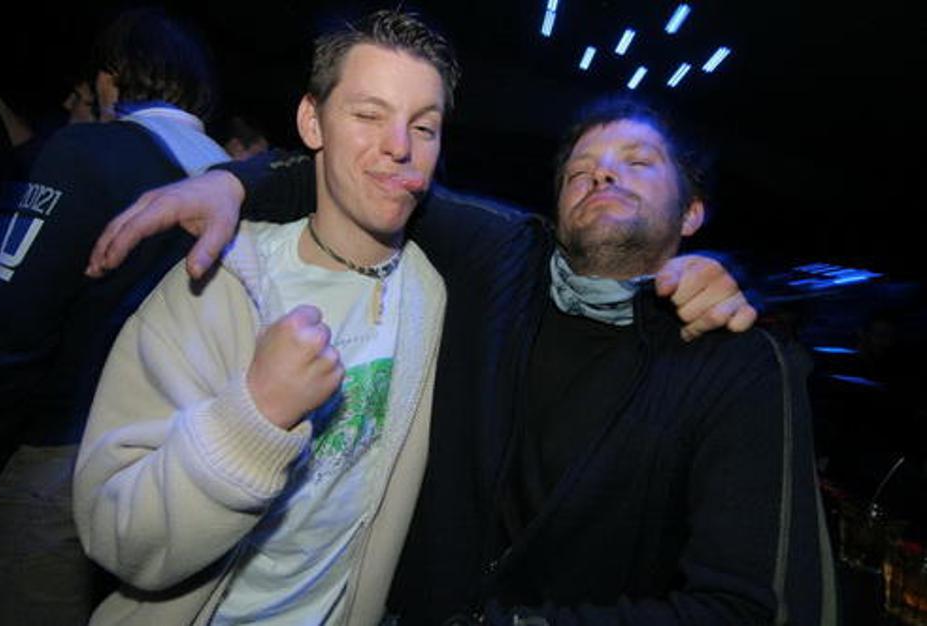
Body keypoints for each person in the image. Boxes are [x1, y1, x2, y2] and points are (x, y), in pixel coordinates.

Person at [88, 92, 836, 624]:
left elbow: (755, 606)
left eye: (637, 162)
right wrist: (228, 182)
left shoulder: (740, 364)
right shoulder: (500, 258)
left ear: (692, 211)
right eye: (580, 170)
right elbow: (367, 179)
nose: (601, 175)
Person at [73, 10, 456, 625]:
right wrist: (255, 417)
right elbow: (113, 532)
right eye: (368, 115)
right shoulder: (217, 282)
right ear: (312, 121)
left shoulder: (429, 296)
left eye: (424, 126)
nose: (400, 146)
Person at [0, 8, 227, 624]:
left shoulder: (85, 153)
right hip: (177, 466)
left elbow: (11, 319)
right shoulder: (230, 180)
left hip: (54, 455)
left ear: (111, 80)